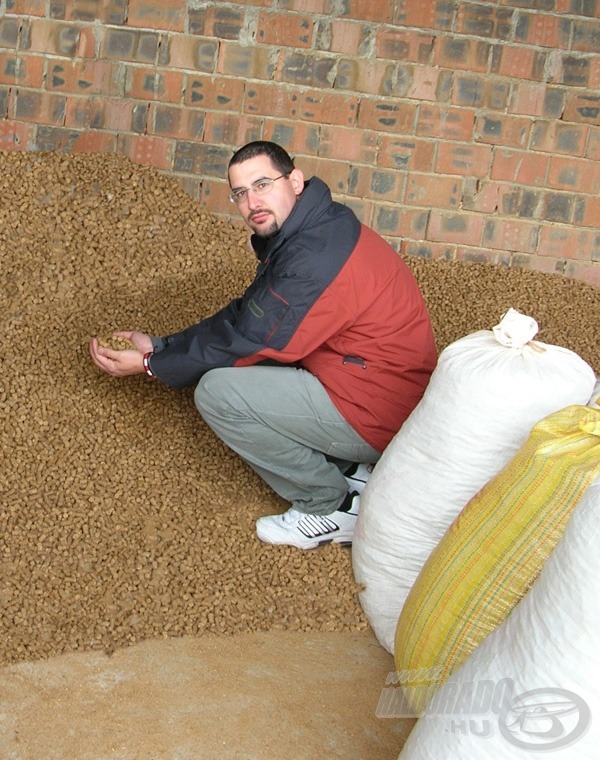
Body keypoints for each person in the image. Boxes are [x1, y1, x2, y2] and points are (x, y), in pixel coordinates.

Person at [89, 141, 437, 550]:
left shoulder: (313, 258)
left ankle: (331, 503)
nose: (252, 202)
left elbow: (248, 339)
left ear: (294, 180)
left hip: (378, 411)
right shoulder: (315, 225)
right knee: (250, 361)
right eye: (240, 193)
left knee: (219, 394)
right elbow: (249, 315)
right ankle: (348, 468)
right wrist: (164, 345)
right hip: (367, 380)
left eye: (262, 184)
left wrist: (151, 364)